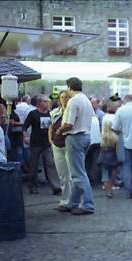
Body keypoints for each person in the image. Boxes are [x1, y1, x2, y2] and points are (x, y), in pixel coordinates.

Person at [56, 77, 95, 215]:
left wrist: (59, 130)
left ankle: (87, 205)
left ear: (69, 87)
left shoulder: (73, 101)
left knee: (78, 174)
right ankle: (73, 202)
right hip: (85, 136)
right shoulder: (86, 100)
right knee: (77, 171)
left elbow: (68, 124)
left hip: (75, 137)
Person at [23, 94, 61, 195]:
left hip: (47, 143)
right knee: (34, 166)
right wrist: (25, 136)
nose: (47, 103)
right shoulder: (33, 114)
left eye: (48, 101)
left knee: (50, 164)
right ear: (39, 103)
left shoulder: (50, 114)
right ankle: (33, 186)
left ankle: (55, 186)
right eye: (45, 101)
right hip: (35, 143)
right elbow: (25, 126)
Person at [49, 90, 71, 212]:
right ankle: (64, 200)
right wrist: (50, 140)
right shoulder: (54, 112)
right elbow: (51, 127)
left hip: (68, 144)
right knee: (62, 174)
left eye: (66, 97)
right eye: (62, 97)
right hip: (57, 144)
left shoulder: (72, 112)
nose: (64, 99)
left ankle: (73, 200)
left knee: (71, 174)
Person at [98, 118, 118, 199]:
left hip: (103, 157)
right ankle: (111, 187)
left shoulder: (102, 137)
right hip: (112, 157)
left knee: (105, 175)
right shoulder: (115, 137)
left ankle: (108, 192)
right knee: (113, 174)